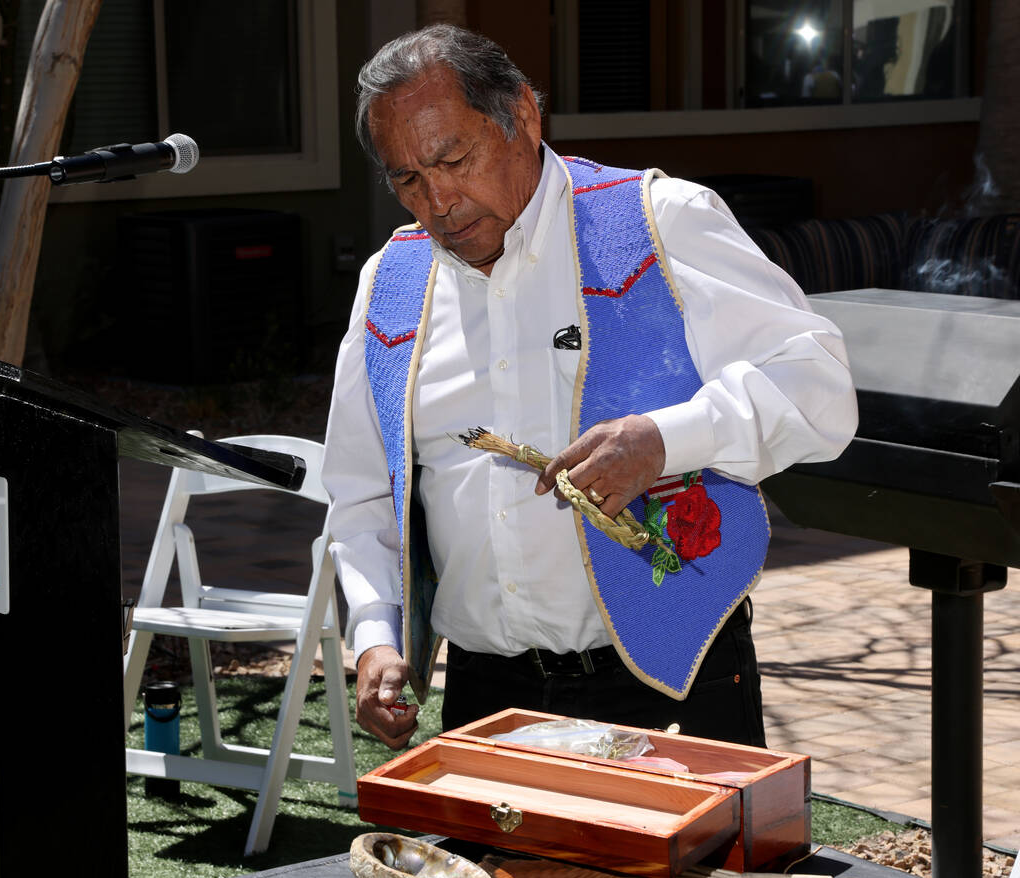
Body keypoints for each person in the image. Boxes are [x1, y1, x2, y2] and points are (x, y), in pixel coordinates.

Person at [322, 24, 857, 751]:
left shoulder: (659, 221)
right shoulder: (389, 283)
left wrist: (665, 440)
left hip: (674, 677)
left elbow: (820, 384)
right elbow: (359, 495)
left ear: (523, 116)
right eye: (407, 178)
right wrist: (377, 634)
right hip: (486, 700)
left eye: (453, 157)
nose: (438, 199)